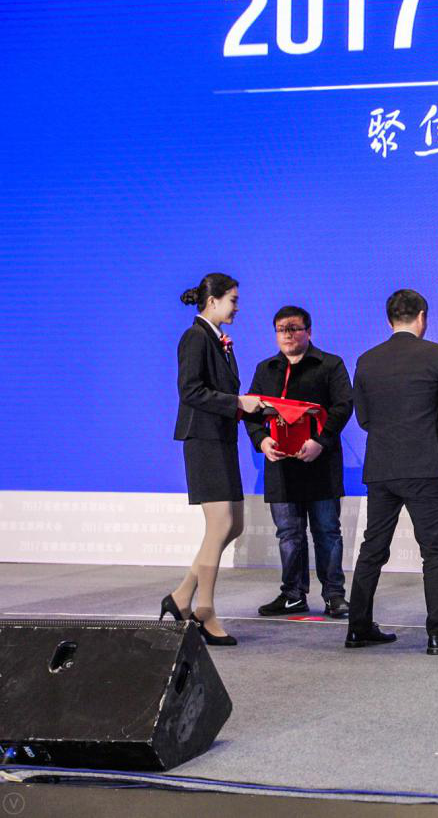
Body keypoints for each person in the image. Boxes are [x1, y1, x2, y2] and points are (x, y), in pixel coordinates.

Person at [345, 289, 438, 654]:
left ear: (389, 320)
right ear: (422, 317)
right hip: (425, 467)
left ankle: (358, 628)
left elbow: (364, 418)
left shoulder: (367, 360)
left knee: (372, 549)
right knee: (435, 552)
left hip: (381, 468)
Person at [165, 273, 262, 646]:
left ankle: (180, 597)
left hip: (221, 438)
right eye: (233, 300)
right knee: (220, 524)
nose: (237, 307)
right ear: (213, 301)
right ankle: (204, 610)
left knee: (233, 525)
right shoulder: (195, 337)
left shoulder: (218, 339)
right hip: (203, 439)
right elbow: (190, 391)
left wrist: (253, 408)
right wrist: (238, 402)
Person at [245, 305, 354, 619]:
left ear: (309, 331)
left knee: (327, 532)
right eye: (281, 329)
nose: (287, 334)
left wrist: (321, 441)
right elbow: (250, 412)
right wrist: (261, 440)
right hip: (281, 467)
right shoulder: (266, 369)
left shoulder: (330, 364)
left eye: (294, 328)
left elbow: (343, 406)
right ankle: (293, 595)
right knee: (288, 534)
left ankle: (334, 596)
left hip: (320, 462)